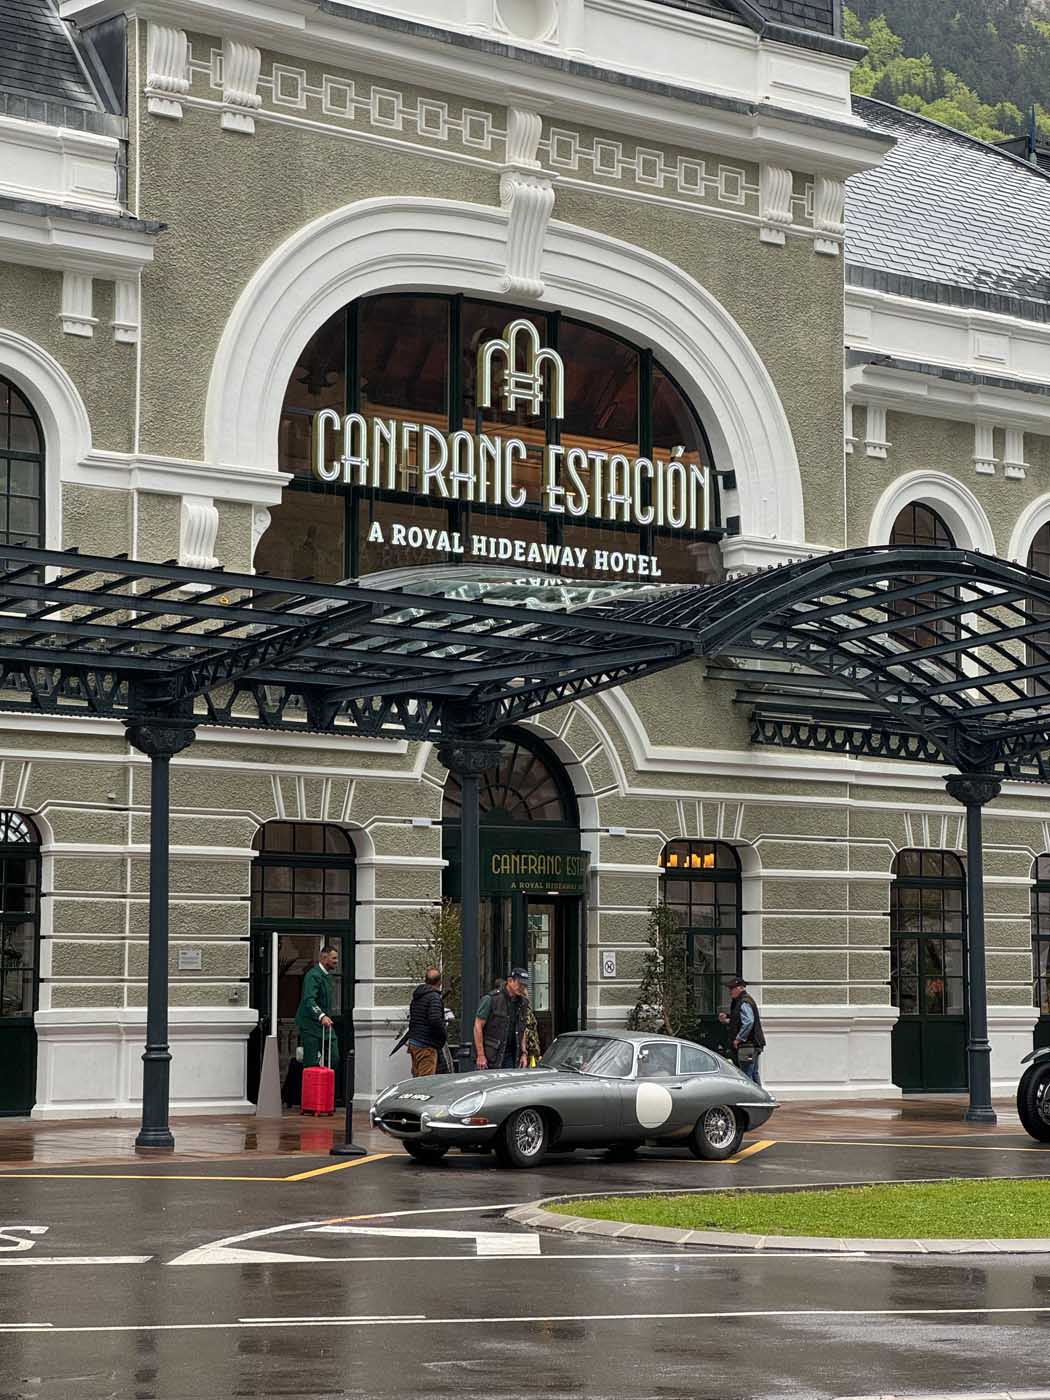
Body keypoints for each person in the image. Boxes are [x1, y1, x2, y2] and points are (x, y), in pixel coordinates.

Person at [294, 943, 339, 1070]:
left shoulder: (326, 976)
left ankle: (326, 1084)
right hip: (310, 1024)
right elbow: (309, 999)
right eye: (334, 958)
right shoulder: (313, 975)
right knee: (311, 1061)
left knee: (334, 1057)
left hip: (325, 1024)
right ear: (324, 958)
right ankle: (311, 1088)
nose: (336, 961)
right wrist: (321, 1016)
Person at [474, 968, 530, 1069]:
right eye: (519, 984)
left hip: (512, 1055)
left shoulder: (523, 1003)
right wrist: (481, 1055)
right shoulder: (491, 999)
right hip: (491, 1055)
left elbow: (522, 1029)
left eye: (524, 985)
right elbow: (478, 1026)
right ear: (510, 981)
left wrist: (524, 1053)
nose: (522, 987)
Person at [719, 977, 765, 1085]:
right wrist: (727, 1019)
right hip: (752, 1045)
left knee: (746, 1075)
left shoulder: (744, 1002)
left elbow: (748, 1021)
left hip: (747, 1045)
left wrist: (739, 1039)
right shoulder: (741, 1001)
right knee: (752, 1074)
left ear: (740, 988)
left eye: (732, 988)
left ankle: (752, 1099)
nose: (730, 991)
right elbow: (739, 1021)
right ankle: (762, 1099)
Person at [406, 967, 446, 1077]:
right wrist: (443, 1035)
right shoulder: (434, 997)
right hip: (426, 1044)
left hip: (415, 1041)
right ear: (439, 981)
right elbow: (435, 1020)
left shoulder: (418, 996)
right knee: (426, 1080)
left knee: (417, 1076)